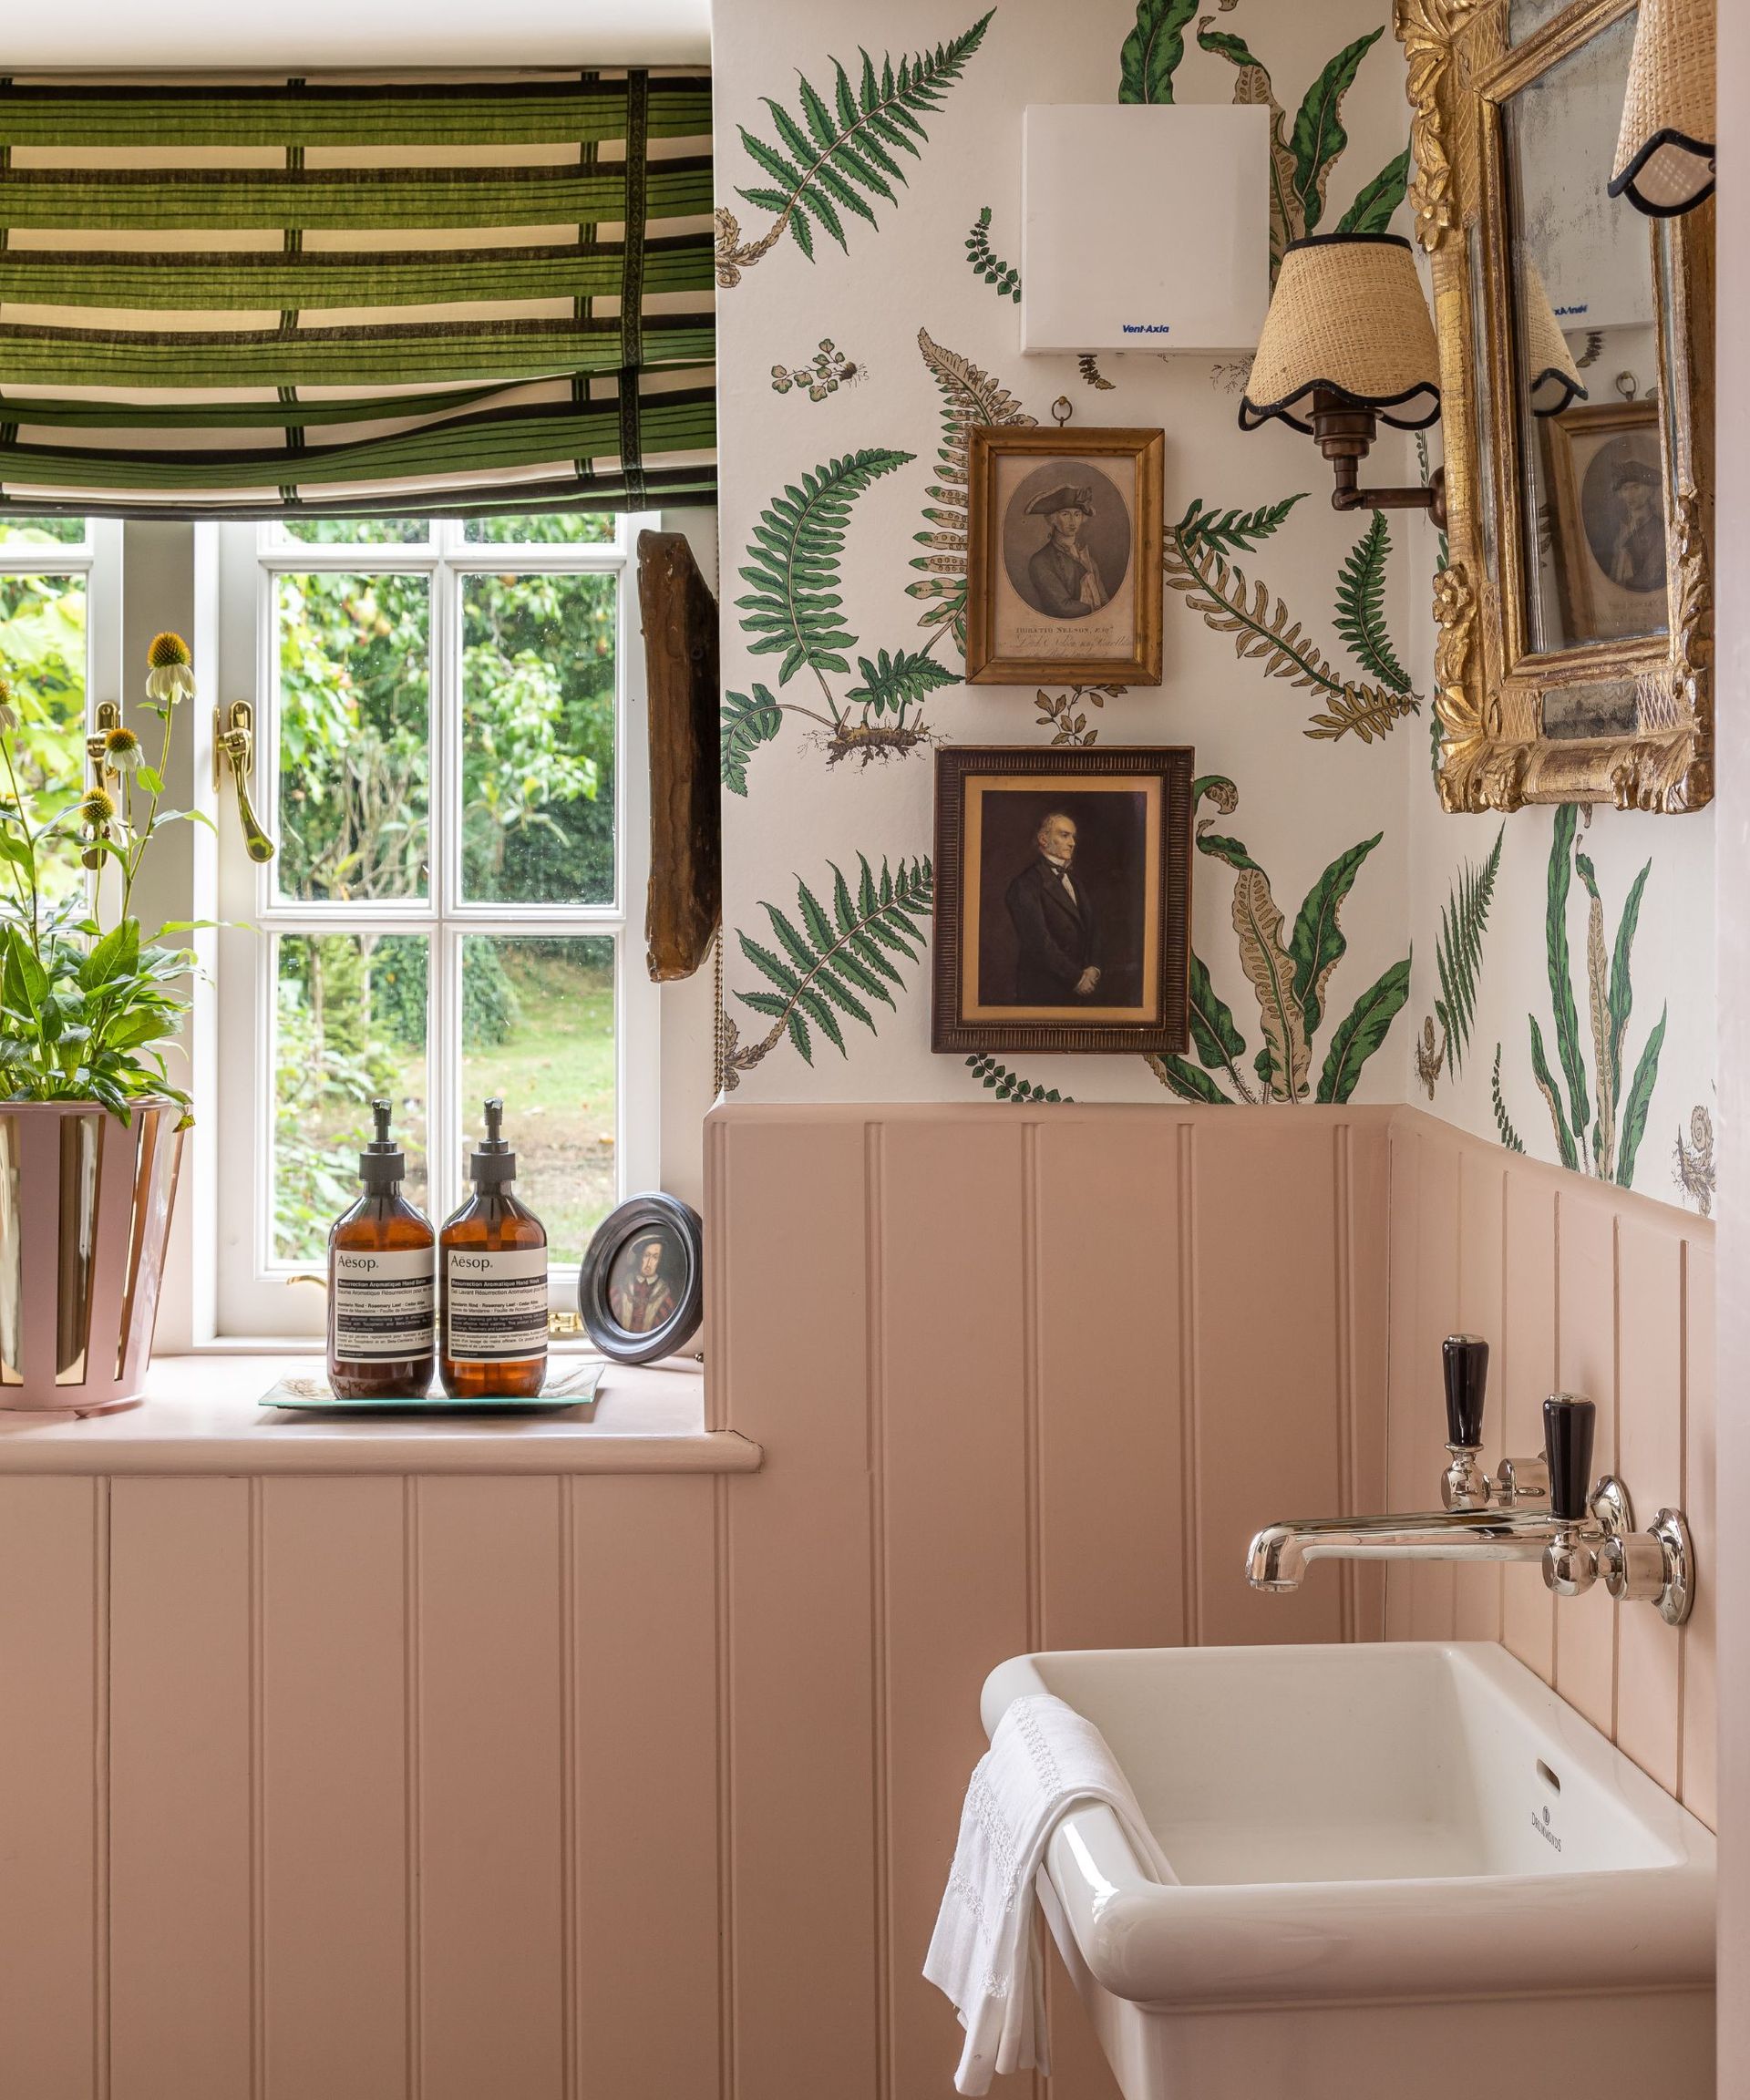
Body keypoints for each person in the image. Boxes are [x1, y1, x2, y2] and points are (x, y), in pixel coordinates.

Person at [1004, 810, 1101, 1004]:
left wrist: (1093, 967)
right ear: (1043, 839)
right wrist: (1077, 978)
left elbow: (1091, 930)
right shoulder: (1025, 885)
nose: (1072, 843)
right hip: (1045, 989)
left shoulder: (1075, 882)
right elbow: (1039, 943)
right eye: (1064, 835)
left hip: (1083, 986)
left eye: (1073, 837)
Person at [1021, 483, 1110, 619]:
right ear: (1054, 519)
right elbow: (1063, 608)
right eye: (1065, 514)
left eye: (1077, 514)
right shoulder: (1040, 561)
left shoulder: (1088, 558)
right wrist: (1095, 610)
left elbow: (1104, 600)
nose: (1073, 521)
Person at [1602, 457, 1665, 593]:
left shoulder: (1660, 529)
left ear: (1650, 490)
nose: (1630, 494)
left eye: (1636, 487)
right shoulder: (1621, 528)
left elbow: (1650, 576)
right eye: (1625, 488)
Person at [612, 1236, 676, 1333]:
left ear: (659, 1261)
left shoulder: (666, 1296)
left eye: (655, 1257)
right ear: (639, 1256)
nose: (649, 1263)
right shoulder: (620, 1289)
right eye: (646, 1255)